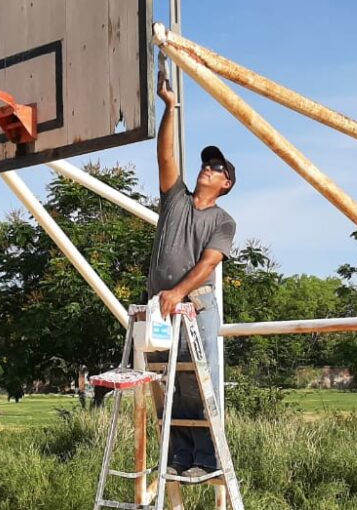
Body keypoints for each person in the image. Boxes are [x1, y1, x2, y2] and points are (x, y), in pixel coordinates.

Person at [148, 62, 237, 480]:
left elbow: (207, 264)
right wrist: (169, 107)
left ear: (226, 184)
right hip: (163, 306)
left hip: (196, 307)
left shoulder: (223, 221)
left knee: (202, 384)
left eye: (217, 168)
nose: (208, 168)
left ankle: (209, 458)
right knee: (172, 386)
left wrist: (178, 292)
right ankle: (181, 455)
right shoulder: (176, 201)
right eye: (207, 163)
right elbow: (165, 154)